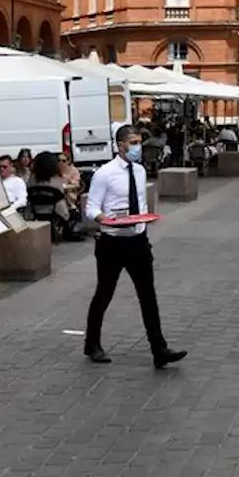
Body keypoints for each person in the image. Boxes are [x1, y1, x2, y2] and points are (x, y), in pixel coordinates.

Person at [83, 125, 187, 369]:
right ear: (120, 145)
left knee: (148, 295)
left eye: (140, 141)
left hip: (138, 240)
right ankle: (92, 343)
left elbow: (139, 202)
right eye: (133, 142)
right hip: (112, 242)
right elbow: (91, 207)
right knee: (104, 293)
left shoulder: (140, 171)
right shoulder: (105, 174)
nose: (138, 147)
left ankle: (159, 349)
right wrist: (103, 219)